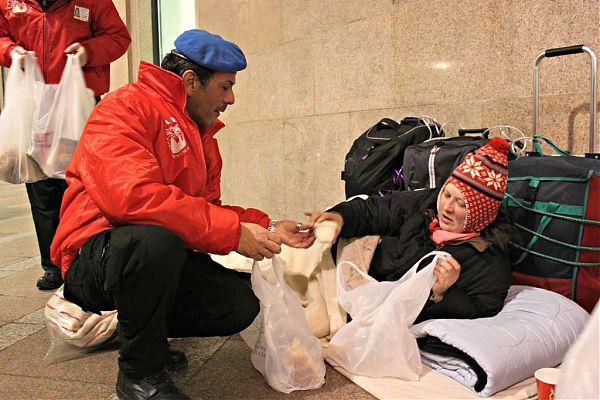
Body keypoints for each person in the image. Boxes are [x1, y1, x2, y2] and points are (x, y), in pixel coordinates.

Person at [50, 29, 315, 400]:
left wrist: (268, 225)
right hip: (96, 254)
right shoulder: (123, 108)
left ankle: (143, 333)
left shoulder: (201, 135)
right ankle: (140, 374)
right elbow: (132, 198)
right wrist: (234, 233)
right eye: (225, 87)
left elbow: (207, 210)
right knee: (154, 241)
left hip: (149, 253)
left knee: (237, 304)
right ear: (191, 81)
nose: (231, 99)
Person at [0, 0, 131, 290]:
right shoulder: (9, 4)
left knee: (83, 187)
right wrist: (10, 51)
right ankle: (53, 265)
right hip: (35, 106)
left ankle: (86, 261)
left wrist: (88, 52)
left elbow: (118, 37)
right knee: (42, 188)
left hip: (78, 104)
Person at [309, 137, 514, 323]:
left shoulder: (488, 261)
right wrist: (341, 216)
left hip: (384, 313)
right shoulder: (426, 204)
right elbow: (379, 209)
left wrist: (441, 293)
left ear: (480, 214)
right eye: (447, 195)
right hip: (356, 285)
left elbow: (482, 308)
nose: (447, 207)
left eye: (461, 204)